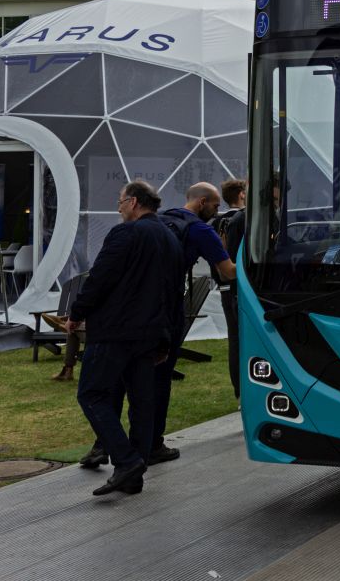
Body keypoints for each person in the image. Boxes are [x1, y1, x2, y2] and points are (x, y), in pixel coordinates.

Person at [68, 179, 182, 496]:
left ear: (133, 202)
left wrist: (77, 313)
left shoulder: (126, 233)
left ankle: (127, 460)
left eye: (120, 202)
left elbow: (100, 277)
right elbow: (174, 292)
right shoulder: (170, 238)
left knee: (92, 394)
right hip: (150, 335)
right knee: (142, 403)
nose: (118, 208)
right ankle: (133, 474)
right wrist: (166, 338)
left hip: (115, 330)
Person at [151, 182, 237, 461]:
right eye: (215, 206)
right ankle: (153, 444)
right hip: (168, 308)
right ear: (201, 202)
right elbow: (228, 272)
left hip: (138, 307)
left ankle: (105, 443)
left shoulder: (158, 219)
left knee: (131, 375)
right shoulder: (201, 230)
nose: (217, 211)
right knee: (161, 377)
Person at [213, 178, 246, 398]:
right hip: (238, 287)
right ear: (241, 194)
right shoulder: (242, 220)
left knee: (234, 339)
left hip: (224, 287)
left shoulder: (216, 222)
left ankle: (238, 391)